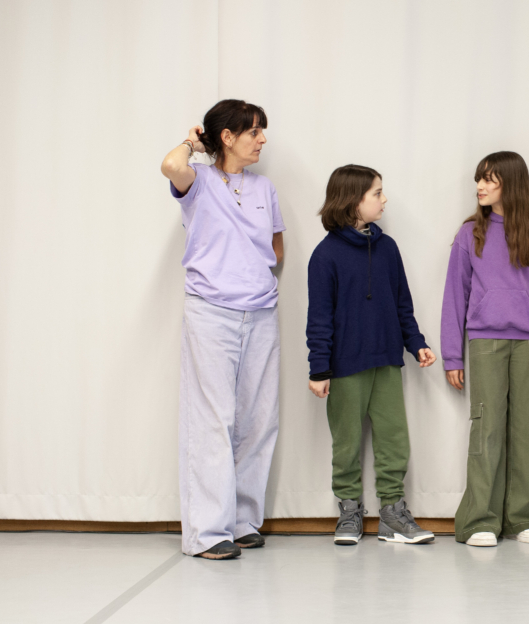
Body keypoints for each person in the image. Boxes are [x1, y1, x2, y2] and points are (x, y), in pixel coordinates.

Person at [160, 99, 285, 560]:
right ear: (228, 137)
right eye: (253, 131)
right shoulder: (198, 182)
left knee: (258, 421)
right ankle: (209, 533)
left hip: (261, 313)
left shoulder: (264, 188)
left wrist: (257, 280)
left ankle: (242, 521)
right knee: (213, 421)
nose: (262, 140)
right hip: (211, 313)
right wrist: (195, 142)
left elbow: (276, 245)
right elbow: (170, 164)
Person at [441, 151, 529, 547]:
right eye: (479, 179)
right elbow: (453, 297)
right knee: (487, 430)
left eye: (489, 179)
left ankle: (527, 517)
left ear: (510, 184)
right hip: (484, 342)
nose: (479, 186)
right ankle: (480, 520)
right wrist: (452, 355)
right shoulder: (469, 234)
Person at [306, 164, 436, 545]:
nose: (384, 199)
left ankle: (393, 513)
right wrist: (319, 368)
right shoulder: (325, 256)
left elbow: (402, 305)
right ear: (352, 200)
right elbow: (319, 318)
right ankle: (349, 510)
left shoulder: (388, 248)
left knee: (395, 438)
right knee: (345, 441)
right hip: (345, 366)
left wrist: (417, 343)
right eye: (377, 193)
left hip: (386, 362)